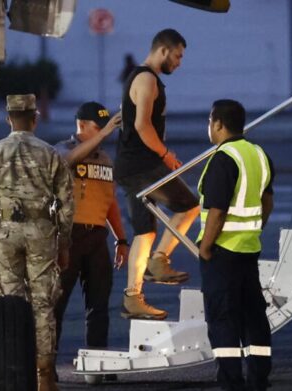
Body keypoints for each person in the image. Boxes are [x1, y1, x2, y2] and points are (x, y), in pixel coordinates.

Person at [0, 94, 74, 391]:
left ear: (8, 119)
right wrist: (64, 241)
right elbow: (66, 202)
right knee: (42, 306)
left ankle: (12, 371)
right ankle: (44, 375)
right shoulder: (50, 153)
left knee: (6, 305)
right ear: (35, 117)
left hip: (4, 234)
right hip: (41, 232)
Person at [114, 28, 200, 320]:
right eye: (177, 56)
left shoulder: (138, 78)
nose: (178, 62)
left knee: (144, 232)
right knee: (189, 206)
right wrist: (166, 155)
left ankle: (133, 298)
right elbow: (142, 126)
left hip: (129, 166)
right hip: (143, 166)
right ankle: (159, 262)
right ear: (163, 50)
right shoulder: (147, 79)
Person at [197, 99, 274, 391]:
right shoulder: (258, 154)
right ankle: (258, 376)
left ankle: (231, 380)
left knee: (223, 318)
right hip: (248, 249)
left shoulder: (223, 158)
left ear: (218, 124)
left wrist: (205, 248)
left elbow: (217, 211)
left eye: (209, 121)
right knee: (254, 316)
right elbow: (268, 200)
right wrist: (256, 226)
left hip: (223, 252)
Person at [53, 102, 126, 354]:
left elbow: (110, 201)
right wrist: (104, 135)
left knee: (99, 305)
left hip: (96, 237)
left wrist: (122, 239)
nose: (105, 132)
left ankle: (98, 362)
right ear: (81, 125)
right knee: (56, 304)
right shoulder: (63, 149)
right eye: (99, 127)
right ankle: (46, 366)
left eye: (106, 128)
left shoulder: (104, 158)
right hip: (68, 236)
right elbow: (66, 161)